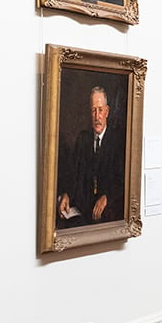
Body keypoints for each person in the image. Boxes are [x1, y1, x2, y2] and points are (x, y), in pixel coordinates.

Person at [57, 86, 123, 226]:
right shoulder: (83, 139)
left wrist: (107, 197)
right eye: (93, 110)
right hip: (83, 210)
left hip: (108, 214)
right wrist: (66, 194)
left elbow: (122, 181)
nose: (96, 116)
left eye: (100, 110)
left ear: (107, 112)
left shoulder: (118, 140)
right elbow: (73, 174)